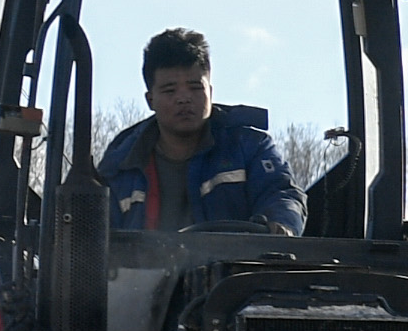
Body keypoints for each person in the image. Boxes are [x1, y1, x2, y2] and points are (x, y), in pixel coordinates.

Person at [102, 27, 304, 234]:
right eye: (170, 90)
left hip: (238, 265)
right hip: (142, 266)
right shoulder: (119, 166)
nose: (184, 98)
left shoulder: (249, 147)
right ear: (150, 100)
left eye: (195, 87)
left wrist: (282, 225)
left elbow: (280, 194)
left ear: (210, 91)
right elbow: (94, 237)